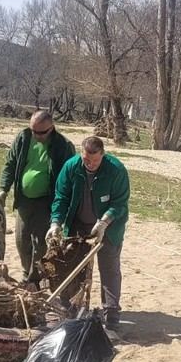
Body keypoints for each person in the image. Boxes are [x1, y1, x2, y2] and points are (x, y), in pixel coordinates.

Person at [46, 136, 130, 329]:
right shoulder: (71, 167)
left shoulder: (116, 170)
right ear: (81, 154)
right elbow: (61, 197)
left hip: (109, 227)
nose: (90, 164)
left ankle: (112, 316)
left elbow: (120, 203)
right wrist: (56, 222)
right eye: (86, 160)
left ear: (103, 155)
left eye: (94, 160)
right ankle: (71, 309)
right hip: (78, 225)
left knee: (109, 269)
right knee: (72, 266)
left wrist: (104, 222)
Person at [0, 110, 75, 284]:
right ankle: (26, 272)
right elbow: (10, 164)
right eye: (33, 130)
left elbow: (69, 178)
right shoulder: (23, 138)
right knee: (21, 240)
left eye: (41, 132)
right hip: (24, 200)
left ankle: (34, 279)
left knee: (40, 243)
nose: (36, 135)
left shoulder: (63, 145)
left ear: (51, 128)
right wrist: (3, 188)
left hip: (46, 201)